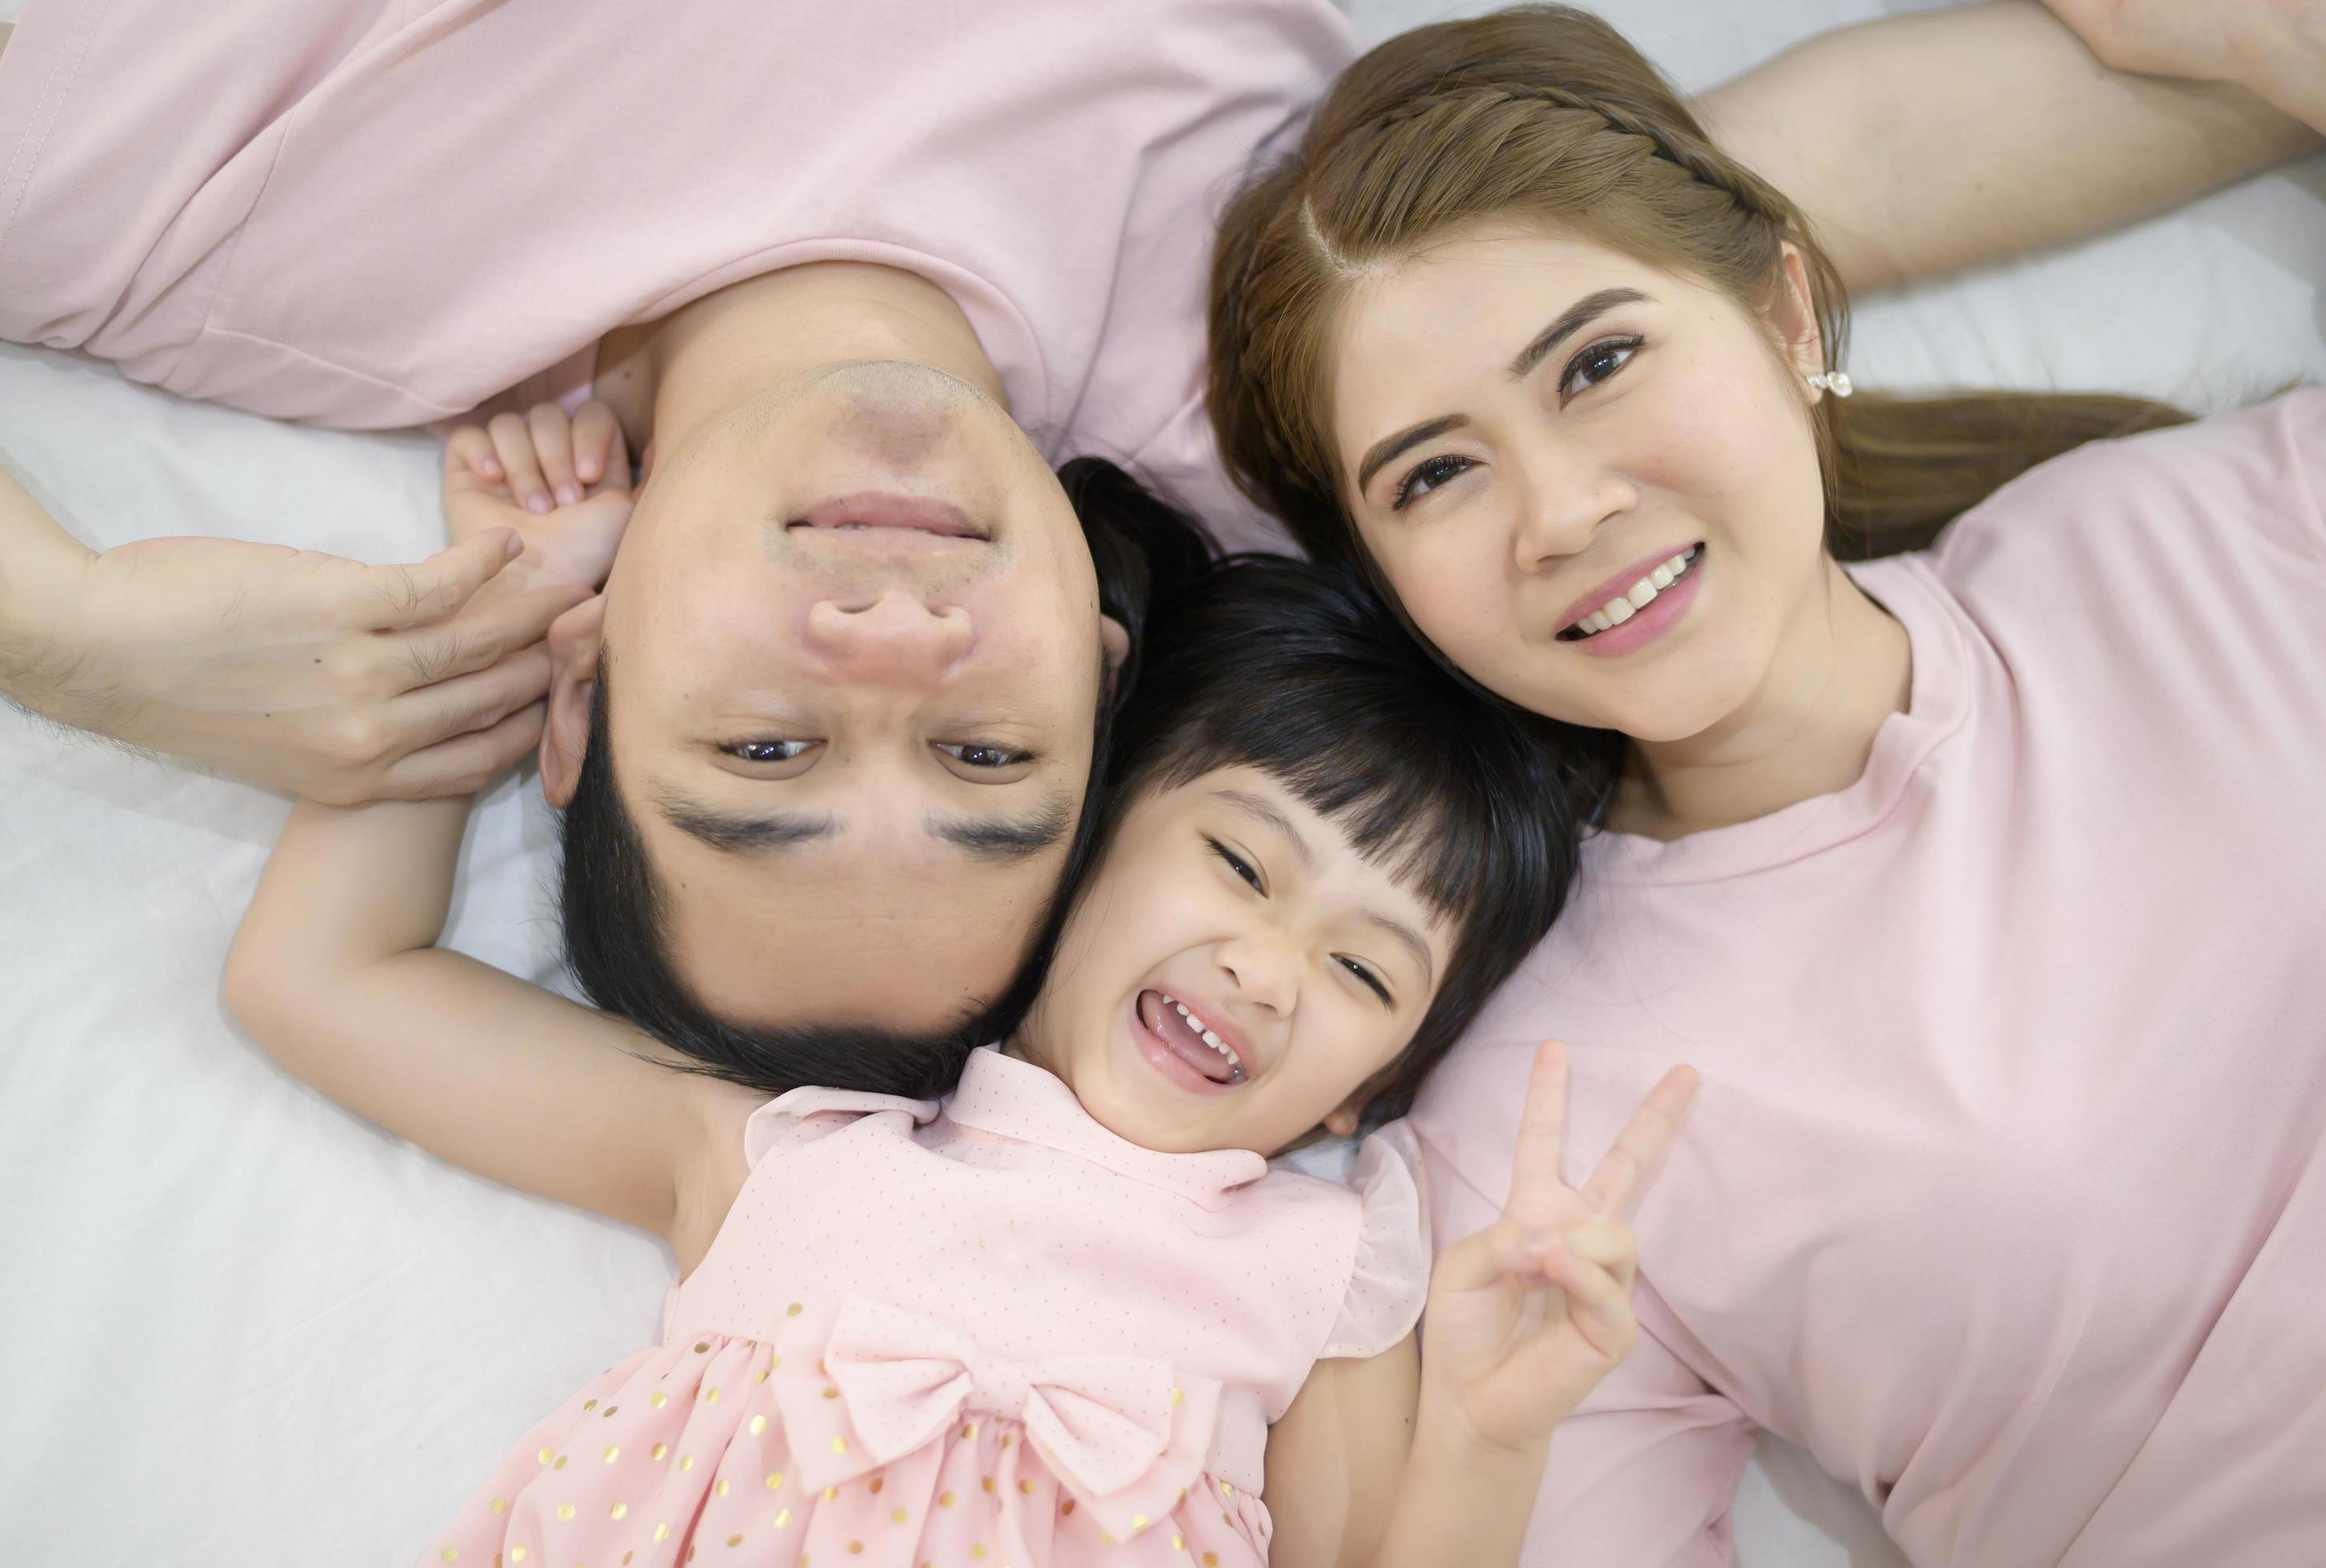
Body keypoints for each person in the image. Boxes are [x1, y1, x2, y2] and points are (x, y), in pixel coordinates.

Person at [0, 2, 2310, 1085]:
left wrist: (49, 621)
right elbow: (1778, 202)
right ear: (1101, 642)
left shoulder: (215, 234)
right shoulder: (1263, 367)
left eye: (767, 749)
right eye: (989, 764)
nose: (892, 644)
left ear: (571, 679)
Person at [1204, 6, 2326, 1563]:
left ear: (1788, 317)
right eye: (1436, 472)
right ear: (1389, 579)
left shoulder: (2195, 534)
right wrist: (1466, 1453)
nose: (1564, 507)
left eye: (1598, 362)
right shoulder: (1541, 1124)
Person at [221, 459, 1699, 1564]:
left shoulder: (1327, 1276)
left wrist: (1489, 1442)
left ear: (1364, 1094)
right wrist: (509, 599)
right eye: (1242, 863)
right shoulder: (786, 1148)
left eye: (1363, 974)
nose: (1264, 969)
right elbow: (323, 978)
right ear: (1078, 831)